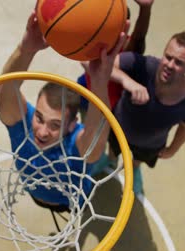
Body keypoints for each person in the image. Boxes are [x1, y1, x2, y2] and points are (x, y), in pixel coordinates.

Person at [0, 12, 128, 209]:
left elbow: (98, 133)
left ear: (72, 124)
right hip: (34, 192)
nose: (41, 132)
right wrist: (26, 49)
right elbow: (5, 90)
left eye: (55, 125)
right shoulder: (22, 126)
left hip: (68, 202)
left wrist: (100, 81)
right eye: (39, 118)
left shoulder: (77, 147)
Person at [108, 31, 185, 194]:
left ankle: (134, 169)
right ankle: (110, 161)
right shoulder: (144, 66)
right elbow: (103, 64)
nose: (169, 65)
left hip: (150, 144)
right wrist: (128, 82)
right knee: (113, 148)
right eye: (168, 57)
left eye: (179, 62)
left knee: (138, 159)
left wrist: (173, 149)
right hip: (118, 128)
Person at [77, 0, 154, 173]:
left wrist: (145, 9)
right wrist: (125, 80)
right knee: (89, 132)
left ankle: (111, 160)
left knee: (112, 138)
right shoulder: (92, 39)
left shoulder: (126, 46)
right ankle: (97, 157)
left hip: (112, 107)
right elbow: (86, 62)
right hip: (88, 96)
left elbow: (139, 38)